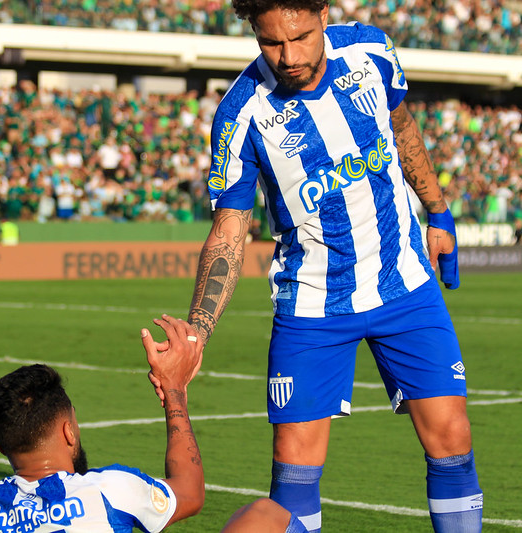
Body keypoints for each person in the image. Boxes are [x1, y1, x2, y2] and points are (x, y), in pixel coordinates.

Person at [172, 1, 482, 532]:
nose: (288, 56)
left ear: (322, 14)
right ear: (253, 33)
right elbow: (228, 230)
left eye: (300, 37)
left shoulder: (371, 50)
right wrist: (197, 333)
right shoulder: (241, 113)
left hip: (404, 284)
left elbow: (402, 127)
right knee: (293, 477)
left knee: (452, 440)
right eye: (271, 43)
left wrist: (438, 210)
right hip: (311, 306)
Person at [0, 315, 205, 533]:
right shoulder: (111, 490)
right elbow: (190, 492)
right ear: (68, 431)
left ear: (0, 446)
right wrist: (175, 391)